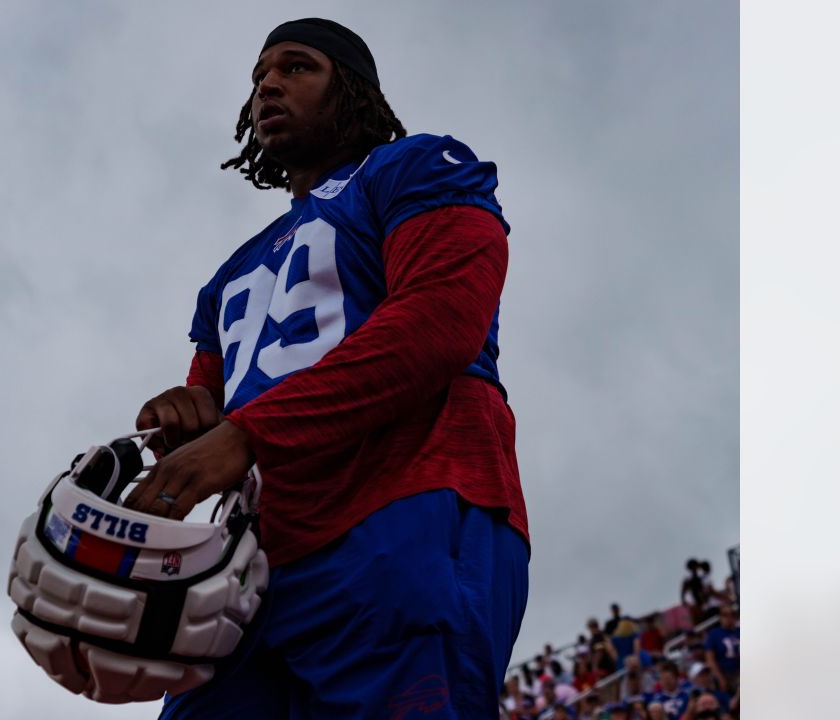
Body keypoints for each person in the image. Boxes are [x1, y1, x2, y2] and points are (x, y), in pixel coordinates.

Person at [123, 16, 529, 719]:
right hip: (253, 567)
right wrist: (183, 421)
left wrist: (246, 434)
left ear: (353, 92)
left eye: (296, 66)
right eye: (258, 76)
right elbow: (212, 409)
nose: (268, 85)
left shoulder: (419, 167)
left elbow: (441, 322)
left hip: (405, 512)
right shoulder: (227, 279)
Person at [703, 604, 740, 694]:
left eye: (732, 614)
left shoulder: (739, 631)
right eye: (725, 615)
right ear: (720, 617)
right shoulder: (714, 634)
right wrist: (720, 678)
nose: (729, 617)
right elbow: (710, 659)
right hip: (726, 672)